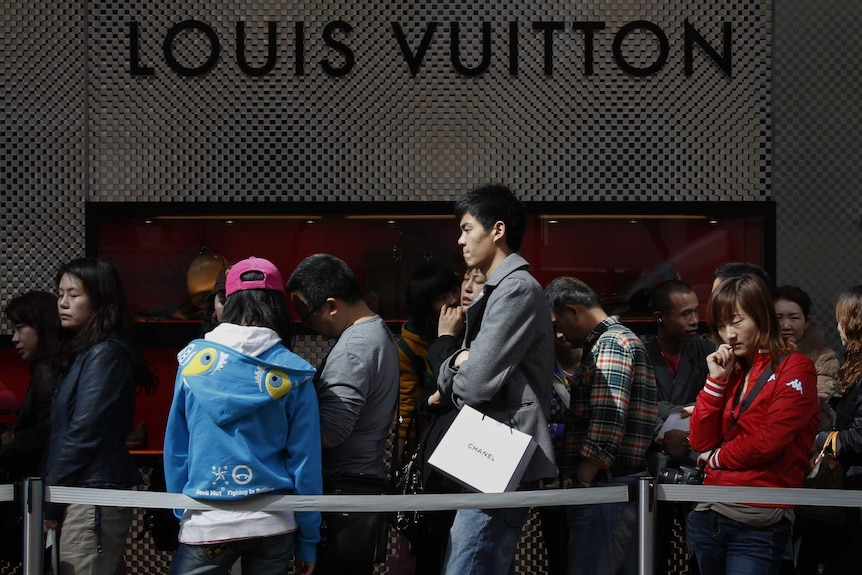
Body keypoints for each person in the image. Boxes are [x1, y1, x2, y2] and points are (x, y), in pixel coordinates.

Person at [164, 256, 321, 575]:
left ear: (227, 301)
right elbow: (305, 463)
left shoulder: (192, 364)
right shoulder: (293, 373)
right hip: (273, 523)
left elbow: (177, 448)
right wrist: (309, 540)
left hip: (207, 521)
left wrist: (185, 510)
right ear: (278, 306)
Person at [435, 184, 556, 575]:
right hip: (489, 448)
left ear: (497, 230)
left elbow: (474, 385)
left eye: (468, 228)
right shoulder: (500, 288)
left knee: (469, 562)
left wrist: (457, 365)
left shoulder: (516, 288)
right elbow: (462, 375)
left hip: (500, 450)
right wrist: (461, 359)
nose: (460, 239)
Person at [686, 274, 819, 575]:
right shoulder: (730, 370)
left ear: (761, 316)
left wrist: (718, 458)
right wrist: (715, 383)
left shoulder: (795, 365)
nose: (728, 335)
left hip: (759, 516)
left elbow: (769, 440)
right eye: (720, 326)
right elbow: (699, 441)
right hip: (708, 512)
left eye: (736, 322)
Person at [286, 253, 399, 575]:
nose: (304, 324)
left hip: (344, 493)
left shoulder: (353, 348)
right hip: (359, 489)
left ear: (331, 306)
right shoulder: (376, 333)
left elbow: (329, 432)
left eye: (305, 314)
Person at [44, 257, 156, 575]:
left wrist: (49, 501)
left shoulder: (104, 353)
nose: (62, 302)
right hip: (83, 491)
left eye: (73, 294)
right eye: (60, 293)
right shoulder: (90, 351)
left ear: (100, 298)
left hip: (90, 492)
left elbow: (83, 432)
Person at [544, 276, 658, 575]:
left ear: (573, 311)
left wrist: (583, 480)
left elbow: (607, 420)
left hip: (605, 488)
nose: (559, 335)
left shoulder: (610, 343)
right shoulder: (618, 340)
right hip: (615, 487)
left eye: (557, 324)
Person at [406, 265, 486, 575]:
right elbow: (413, 403)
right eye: (444, 296)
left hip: (474, 458)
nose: (457, 297)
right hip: (434, 461)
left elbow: (470, 384)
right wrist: (431, 399)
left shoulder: (481, 331)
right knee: (433, 544)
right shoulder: (412, 344)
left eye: (463, 286)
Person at [644, 280, 714, 574]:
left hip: (696, 463)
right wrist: (671, 415)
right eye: (684, 314)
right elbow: (638, 406)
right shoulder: (641, 353)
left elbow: (720, 403)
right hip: (651, 466)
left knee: (701, 546)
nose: (694, 320)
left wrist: (688, 424)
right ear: (660, 316)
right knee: (651, 548)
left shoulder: (707, 351)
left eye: (696, 311)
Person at [794, 285, 862, 574]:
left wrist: (820, 440)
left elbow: (859, 437)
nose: (837, 326)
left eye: (840, 319)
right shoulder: (853, 364)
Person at [1, 291, 65, 564]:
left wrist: (9, 445)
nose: (14, 338)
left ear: (41, 325)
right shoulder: (50, 368)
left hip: (46, 495)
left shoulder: (48, 371)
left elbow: (46, 436)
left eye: (19, 328)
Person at [396, 261, 460, 453]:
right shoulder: (408, 348)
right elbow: (406, 407)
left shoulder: (470, 325)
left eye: (456, 290)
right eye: (442, 297)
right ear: (425, 308)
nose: (454, 299)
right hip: (436, 441)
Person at [538, 323, 583, 575]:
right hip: (552, 477)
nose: (561, 333)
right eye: (553, 327)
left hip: (593, 478)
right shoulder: (540, 370)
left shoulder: (597, 365)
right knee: (558, 553)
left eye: (566, 324)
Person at [774, 285, 839, 432]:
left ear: (806, 322)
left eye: (794, 317)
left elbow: (820, 406)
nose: (786, 326)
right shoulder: (758, 355)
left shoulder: (825, 359)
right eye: (778, 318)